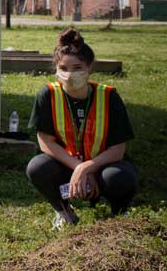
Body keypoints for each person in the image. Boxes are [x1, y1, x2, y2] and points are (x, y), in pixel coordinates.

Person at [26, 29, 137, 229]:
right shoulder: (47, 94)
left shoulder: (109, 96)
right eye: (63, 68)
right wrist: (76, 167)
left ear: (89, 67)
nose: (69, 75)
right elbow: (45, 141)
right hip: (66, 165)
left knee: (120, 177)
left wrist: (87, 168)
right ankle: (64, 212)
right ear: (56, 68)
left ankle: (119, 216)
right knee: (37, 167)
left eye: (77, 67)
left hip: (103, 167)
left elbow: (118, 149)